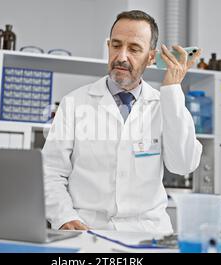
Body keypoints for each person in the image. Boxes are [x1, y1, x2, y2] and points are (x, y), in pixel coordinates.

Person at [42, 10, 202, 234]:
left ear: (151, 57)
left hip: (149, 233)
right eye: (116, 45)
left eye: (134, 49)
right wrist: (63, 217)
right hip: (88, 231)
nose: (121, 56)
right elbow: (51, 171)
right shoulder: (74, 103)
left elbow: (182, 164)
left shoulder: (165, 103)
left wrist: (173, 90)